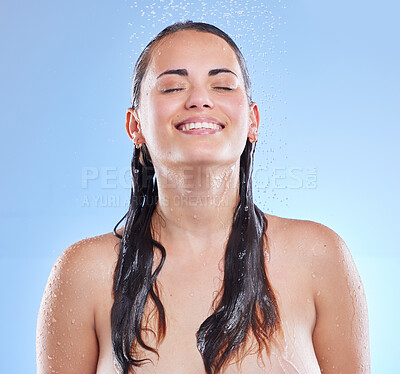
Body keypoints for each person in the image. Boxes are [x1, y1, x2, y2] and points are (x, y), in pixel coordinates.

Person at [36, 21, 370, 374]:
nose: (199, 99)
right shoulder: (84, 273)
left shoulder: (319, 257)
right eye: (172, 87)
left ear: (253, 121)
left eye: (223, 84)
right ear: (135, 126)